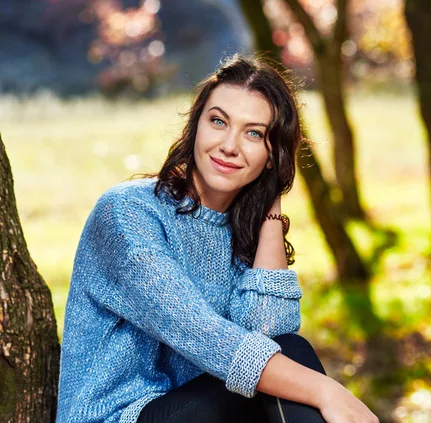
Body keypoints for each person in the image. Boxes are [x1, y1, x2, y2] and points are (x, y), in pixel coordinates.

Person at [56, 55, 378, 423]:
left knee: (287, 351)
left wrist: (270, 213)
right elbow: (201, 335)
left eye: (254, 133)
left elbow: (270, 335)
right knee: (288, 368)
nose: (229, 145)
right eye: (218, 121)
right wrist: (326, 390)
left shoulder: (243, 232)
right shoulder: (127, 213)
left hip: (207, 412)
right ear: (196, 127)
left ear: (272, 155)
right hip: (120, 417)